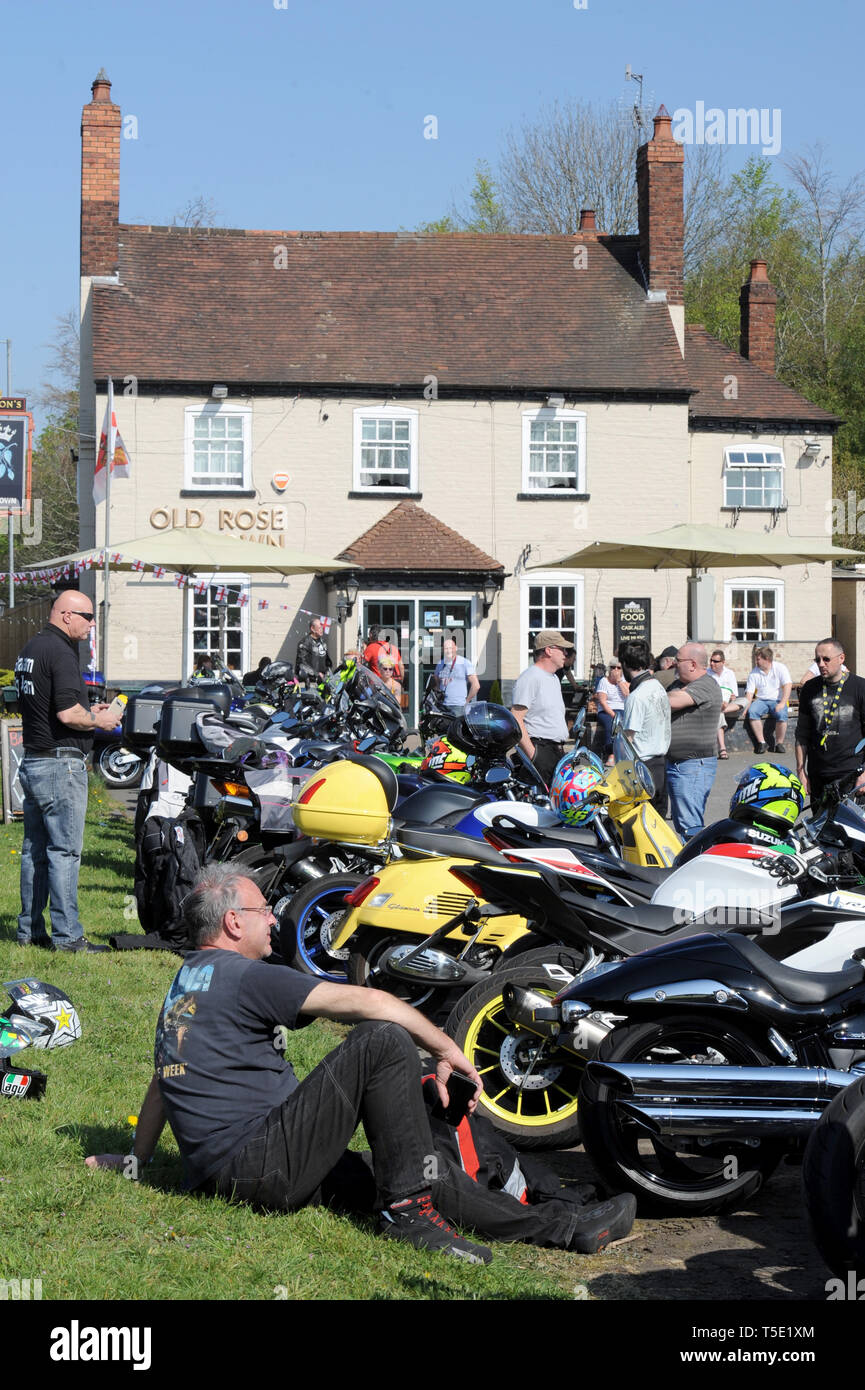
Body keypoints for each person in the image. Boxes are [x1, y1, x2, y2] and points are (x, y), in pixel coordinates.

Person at [85, 865, 635, 1260]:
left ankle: (565, 1227)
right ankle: (409, 1218)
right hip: (260, 1164)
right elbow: (373, 1003)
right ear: (232, 923)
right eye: (262, 911)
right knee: (381, 1041)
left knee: (418, 1166)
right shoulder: (247, 976)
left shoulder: (185, 982)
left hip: (231, 1170)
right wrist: (446, 1047)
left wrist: (134, 1159)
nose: (275, 920)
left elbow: (165, 1076)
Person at [14, 591, 120, 951]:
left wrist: (90, 707)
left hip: (34, 759)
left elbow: (53, 703)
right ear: (64, 615)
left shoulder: (32, 648)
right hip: (60, 765)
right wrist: (101, 720)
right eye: (87, 616)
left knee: (35, 851)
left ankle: (29, 930)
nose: (92, 624)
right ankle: (68, 936)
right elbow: (67, 715)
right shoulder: (60, 651)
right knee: (64, 852)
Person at [796, 638, 865, 809]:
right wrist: (801, 772)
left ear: (841, 658)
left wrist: (864, 774)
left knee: (849, 832)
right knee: (820, 832)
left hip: (851, 774)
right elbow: (802, 734)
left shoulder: (860, 687)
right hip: (818, 774)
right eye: (817, 659)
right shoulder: (810, 689)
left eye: (826, 659)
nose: (821, 664)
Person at [665, 642, 723, 840]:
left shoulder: (706, 684)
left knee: (690, 825)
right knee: (682, 822)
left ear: (692, 664)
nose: (673, 664)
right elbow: (669, 699)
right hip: (678, 763)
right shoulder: (678, 685)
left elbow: (668, 702)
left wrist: (672, 695)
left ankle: (693, 863)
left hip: (693, 766)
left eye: (678, 660)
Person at [511, 631, 572, 787]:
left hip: (555, 751)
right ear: (548, 650)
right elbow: (516, 719)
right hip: (540, 750)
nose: (566, 653)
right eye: (562, 649)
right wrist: (533, 756)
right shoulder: (530, 677)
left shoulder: (553, 678)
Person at [619, 640, 670, 814]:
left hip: (644, 768)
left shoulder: (637, 696)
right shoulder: (657, 687)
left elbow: (628, 739)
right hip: (661, 765)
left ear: (625, 664)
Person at [740, 645, 792, 753]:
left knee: (782, 714)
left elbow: (788, 685)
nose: (756, 661)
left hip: (777, 700)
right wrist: (745, 708)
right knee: (752, 711)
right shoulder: (754, 673)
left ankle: (779, 744)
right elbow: (749, 693)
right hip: (761, 700)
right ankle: (762, 743)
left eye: (758, 659)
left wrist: (782, 703)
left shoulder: (780, 668)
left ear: (767, 659)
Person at [595, 660, 630, 766]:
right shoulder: (603, 681)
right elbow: (602, 702)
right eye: (613, 667)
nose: (616, 670)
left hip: (622, 709)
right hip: (607, 710)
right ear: (609, 669)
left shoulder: (624, 681)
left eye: (618, 668)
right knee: (611, 724)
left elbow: (628, 696)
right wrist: (614, 716)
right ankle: (611, 753)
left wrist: (619, 681)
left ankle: (625, 753)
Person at [708, 649, 740, 760]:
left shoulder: (729, 673)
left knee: (745, 701)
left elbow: (734, 694)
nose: (712, 663)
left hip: (729, 705)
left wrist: (731, 698)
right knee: (719, 713)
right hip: (713, 704)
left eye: (715, 661)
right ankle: (722, 749)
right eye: (711, 660)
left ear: (723, 663)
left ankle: (721, 709)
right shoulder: (707, 674)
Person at [434, 637, 480, 711]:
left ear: (456, 648)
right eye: (446, 648)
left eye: (450, 648)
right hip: (442, 706)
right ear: (443, 650)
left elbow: (476, 685)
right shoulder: (440, 663)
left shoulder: (465, 663)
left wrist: (467, 701)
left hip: (458, 707)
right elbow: (436, 678)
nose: (448, 651)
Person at [295, 616, 332, 684]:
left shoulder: (322, 642)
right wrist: (317, 674)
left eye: (322, 627)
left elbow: (326, 660)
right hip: (309, 682)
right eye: (319, 628)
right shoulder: (304, 643)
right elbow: (302, 664)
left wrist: (328, 672)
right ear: (312, 628)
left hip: (322, 680)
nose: (322, 629)